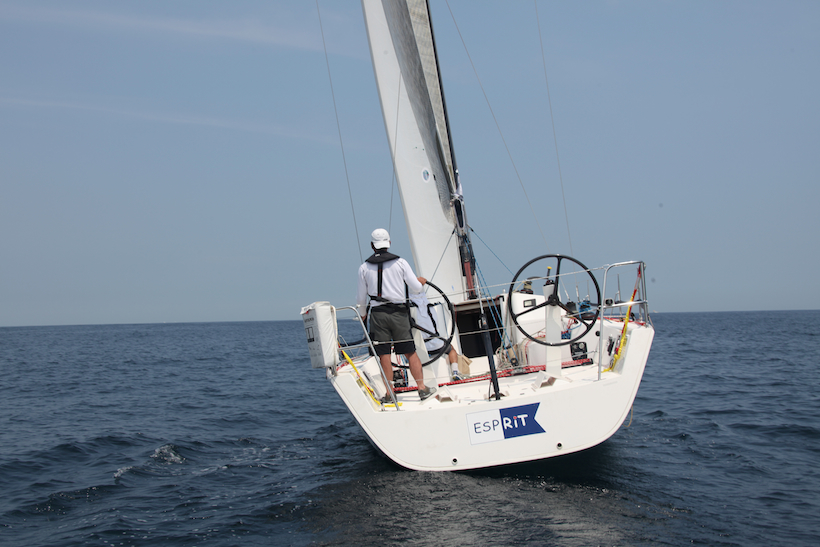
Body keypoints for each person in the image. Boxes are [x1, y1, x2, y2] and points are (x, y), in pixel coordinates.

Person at [357, 228, 437, 402]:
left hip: (378, 315)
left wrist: (363, 315)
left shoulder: (364, 268)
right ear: (389, 243)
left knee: (384, 355)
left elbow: (361, 298)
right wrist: (420, 282)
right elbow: (416, 288)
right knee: (410, 352)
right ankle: (422, 389)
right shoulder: (400, 263)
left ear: (372, 245)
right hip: (399, 314)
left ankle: (389, 393)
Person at [408, 291, 464, 379]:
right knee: (451, 349)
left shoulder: (410, 312)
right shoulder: (432, 310)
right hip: (436, 346)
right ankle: (455, 371)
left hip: (420, 348)